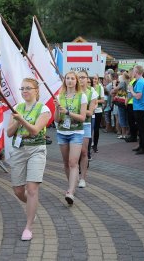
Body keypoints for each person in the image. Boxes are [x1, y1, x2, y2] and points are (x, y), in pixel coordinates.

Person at [6, 78, 51, 241]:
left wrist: (21, 120)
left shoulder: (44, 109)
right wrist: (17, 122)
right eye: (22, 88)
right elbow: (9, 133)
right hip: (18, 150)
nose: (24, 91)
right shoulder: (17, 108)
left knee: (32, 189)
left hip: (36, 151)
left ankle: (28, 227)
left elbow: (34, 131)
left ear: (36, 91)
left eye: (28, 88)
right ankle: (32, 209)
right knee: (18, 190)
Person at [54, 72, 87, 205]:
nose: (70, 81)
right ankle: (71, 186)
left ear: (76, 81)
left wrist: (68, 112)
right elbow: (56, 120)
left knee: (73, 162)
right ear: (64, 81)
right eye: (67, 78)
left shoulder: (82, 96)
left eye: (72, 78)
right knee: (66, 163)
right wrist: (57, 109)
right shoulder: (59, 96)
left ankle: (70, 192)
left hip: (76, 132)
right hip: (62, 132)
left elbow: (83, 118)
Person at [78, 71, 97, 188]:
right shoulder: (73, 92)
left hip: (85, 125)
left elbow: (90, 112)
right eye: (79, 77)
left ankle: (83, 179)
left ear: (87, 79)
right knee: (73, 154)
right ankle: (74, 176)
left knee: (84, 152)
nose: (81, 80)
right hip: (73, 126)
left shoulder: (92, 93)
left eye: (83, 77)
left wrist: (76, 112)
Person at [127, 65, 144, 154]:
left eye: (134, 71)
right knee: (141, 128)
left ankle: (143, 147)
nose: (133, 73)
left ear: (137, 72)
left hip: (140, 107)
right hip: (139, 107)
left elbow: (138, 96)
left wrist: (131, 90)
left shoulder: (140, 82)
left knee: (142, 128)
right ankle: (141, 145)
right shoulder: (140, 81)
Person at [91, 74, 104, 152]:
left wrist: (95, 101)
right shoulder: (89, 87)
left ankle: (95, 145)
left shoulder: (100, 87)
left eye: (96, 79)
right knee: (90, 129)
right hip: (90, 111)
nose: (94, 80)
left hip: (98, 110)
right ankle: (90, 143)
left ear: (98, 79)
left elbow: (103, 100)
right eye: (93, 78)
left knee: (96, 129)